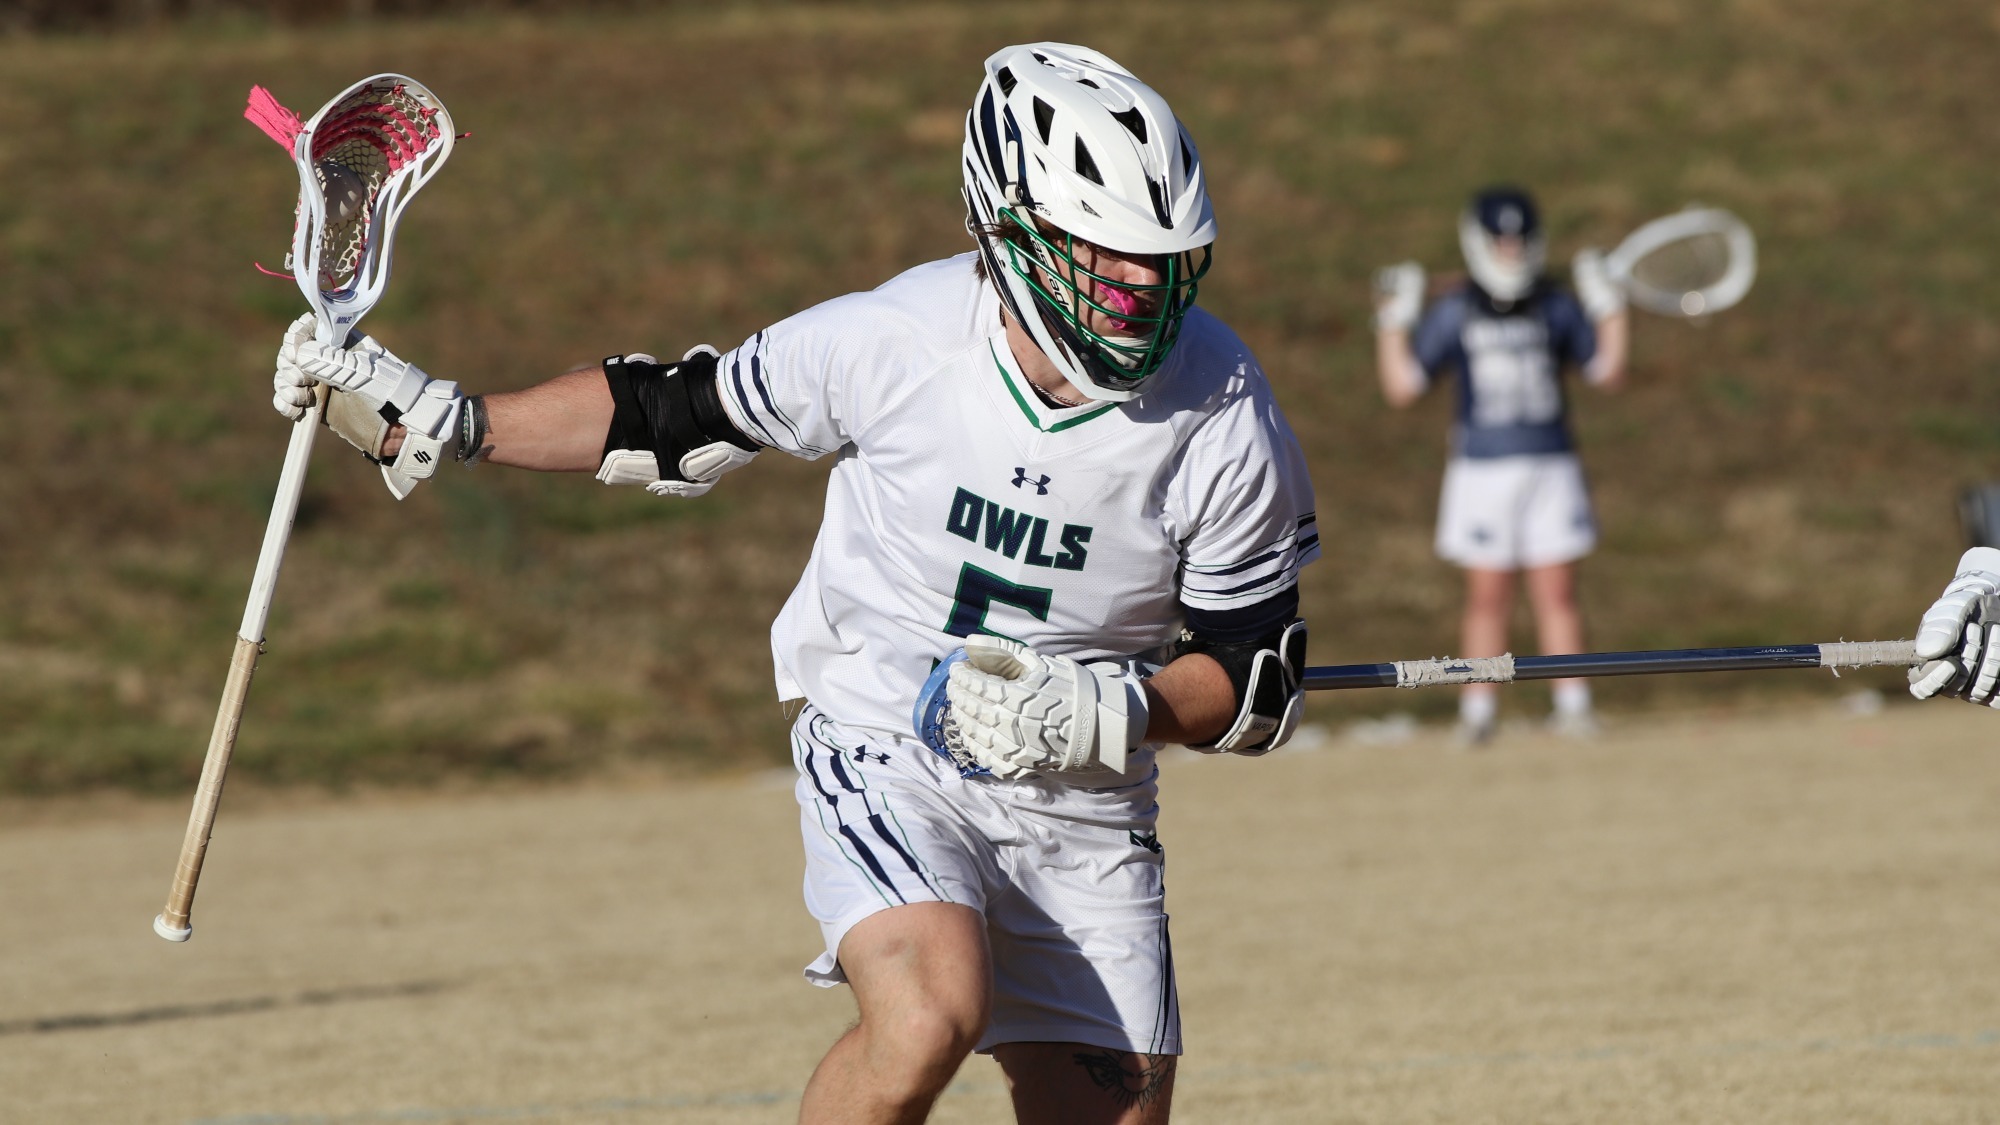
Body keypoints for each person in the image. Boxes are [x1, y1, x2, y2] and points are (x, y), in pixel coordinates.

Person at [268, 43, 1318, 1125]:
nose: (1145, 288)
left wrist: (1119, 708)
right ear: (1013, 231)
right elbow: (670, 417)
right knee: (924, 1017)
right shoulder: (893, 341)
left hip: (1085, 802)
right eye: (1108, 254)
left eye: (1164, 258)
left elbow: (1255, 682)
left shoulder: (1224, 411)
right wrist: (453, 418)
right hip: (887, 739)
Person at [1371, 186, 1630, 744]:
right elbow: (1403, 387)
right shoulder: (1457, 309)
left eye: (1521, 241)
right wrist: (1393, 320)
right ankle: (1479, 710)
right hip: (1482, 471)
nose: (1512, 253)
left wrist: (1608, 306)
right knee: (1488, 595)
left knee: (1557, 591)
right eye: (1501, 242)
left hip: (1551, 465)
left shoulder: (1555, 304)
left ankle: (1573, 702)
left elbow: (1606, 372)